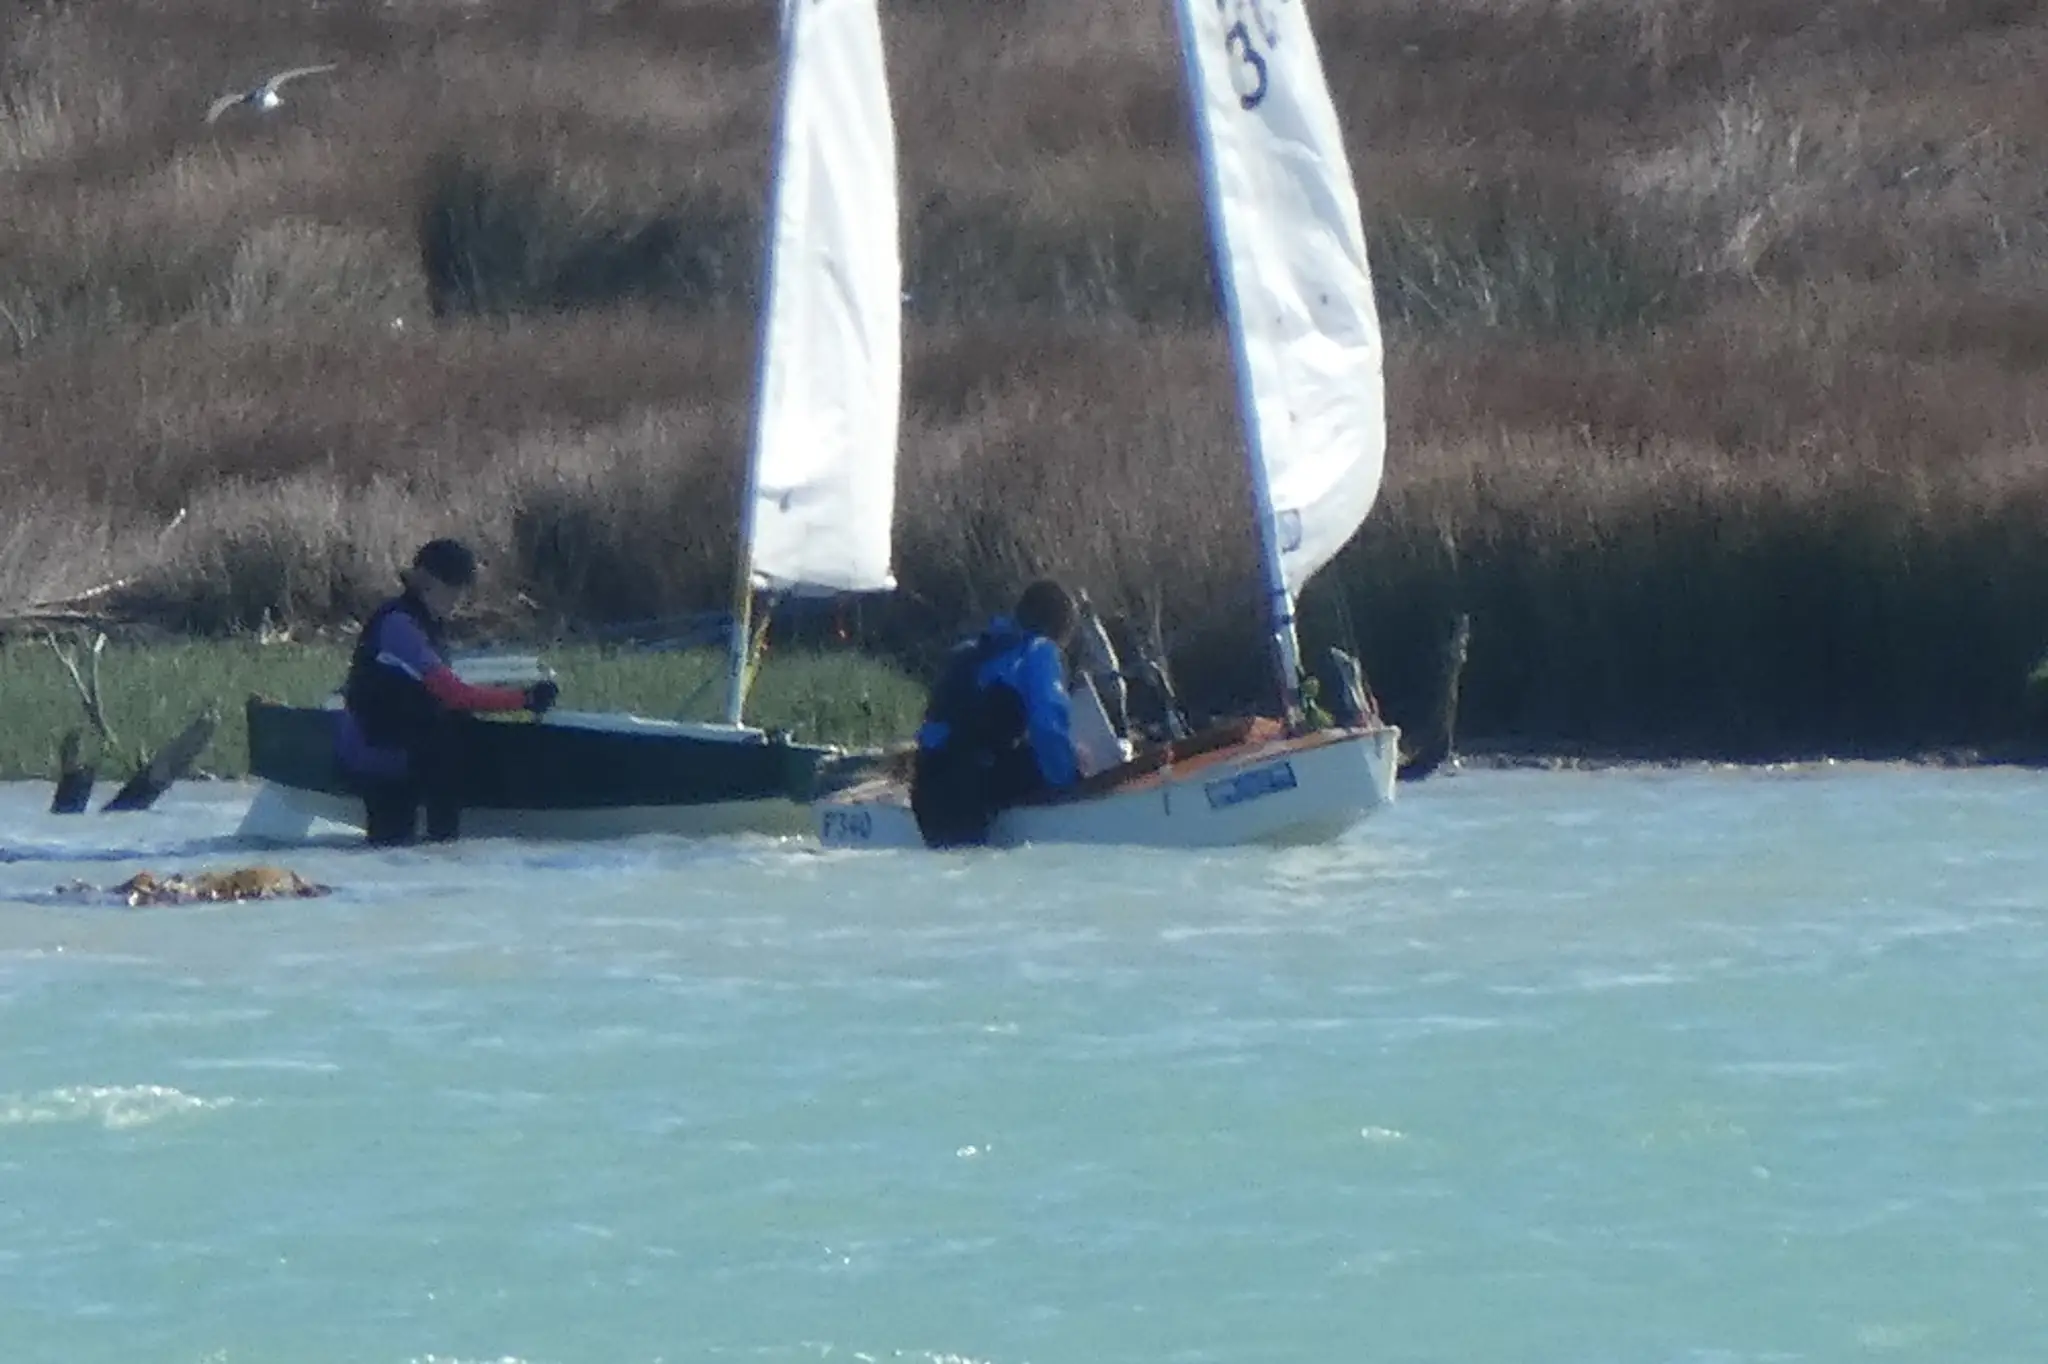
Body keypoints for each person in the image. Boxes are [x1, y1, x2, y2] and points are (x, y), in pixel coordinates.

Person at [336, 538, 557, 845]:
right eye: (455, 587)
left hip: (409, 747)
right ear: (426, 582)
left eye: (464, 588)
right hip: (377, 753)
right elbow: (453, 694)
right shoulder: (399, 627)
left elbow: (446, 691)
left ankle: (443, 854)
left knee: (447, 748)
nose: (461, 597)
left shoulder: (429, 623)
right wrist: (524, 699)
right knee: (399, 845)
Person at [910, 579, 1081, 848]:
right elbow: (1048, 728)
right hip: (969, 787)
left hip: (926, 784)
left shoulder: (971, 650)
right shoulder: (1038, 651)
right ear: (1057, 630)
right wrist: (1071, 783)